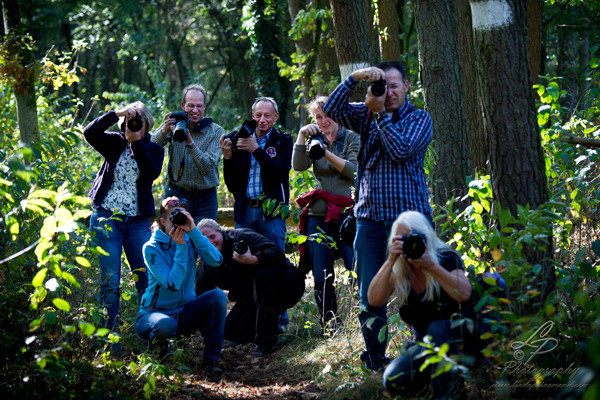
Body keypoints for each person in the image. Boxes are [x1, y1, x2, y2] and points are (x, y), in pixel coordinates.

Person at [323, 61, 433, 370]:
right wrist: (356, 78)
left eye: (395, 86)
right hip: (369, 221)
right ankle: (375, 360)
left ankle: (421, 356)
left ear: (407, 87)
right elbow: (331, 109)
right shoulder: (368, 111)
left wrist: (379, 113)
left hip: (410, 221)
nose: (390, 92)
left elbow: (400, 150)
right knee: (371, 296)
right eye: (384, 86)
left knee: (418, 292)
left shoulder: (419, 118)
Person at [368, 211, 479, 399]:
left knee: (438, 328)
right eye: (403, 240)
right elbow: (374, 300)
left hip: (464, 339)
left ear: (426, 236)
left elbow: (465, 293)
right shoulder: (401, 271)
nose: (410, 244)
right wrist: (390, 260)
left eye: (414, 238)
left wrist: (430, 266)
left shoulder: (445, 258)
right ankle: (433, 382)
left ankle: (449, 395)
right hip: (427, 347)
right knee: (393, 379)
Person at [85, 102, 164, 345]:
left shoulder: (154, 149)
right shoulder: (114, 142)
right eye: (131, 119)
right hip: (107, 218)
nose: (134, 123)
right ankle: (108, 342)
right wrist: (117, 114)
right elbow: (89, 133)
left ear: (147, 123)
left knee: (145, 279)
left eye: (139, 119)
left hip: (137, 222)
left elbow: (150, 173)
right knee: (110, 280)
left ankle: (150, 336)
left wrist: (137, 141)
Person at [135, 198, 227, 372]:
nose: (178, 221)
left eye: (182, 216)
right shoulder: (151, 247)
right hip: (154, 315)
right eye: (173, 217)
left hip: (184, 313)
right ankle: (159, 351)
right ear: (162, 221)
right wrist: (181, 247)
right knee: (166, 325)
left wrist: (193, 231)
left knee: (218, 296)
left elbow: (217, 260)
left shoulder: (191, 239)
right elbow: (173, 284)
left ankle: (211, 361)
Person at [292, 96, 359, 332]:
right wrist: (303, 137)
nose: (323, 121)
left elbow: (353, 172)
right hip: (319, 216)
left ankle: (363, 321)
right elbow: (298, 165)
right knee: (321, 274)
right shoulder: (313, 139)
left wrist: (325, 153)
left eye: (327, 115)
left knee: (356, 269)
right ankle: (331, 325)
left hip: (348, 213)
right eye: (318, 117)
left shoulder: (351, 137)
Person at [195, 219, 305, 356]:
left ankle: (266, 343)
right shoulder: (208, 264)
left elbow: (276, 251)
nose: (211, 242)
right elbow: (202, 295)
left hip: (287, 284)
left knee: (262, 276)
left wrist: (254, 259)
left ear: (220, 232)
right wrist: (206, 330)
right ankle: (270, 331)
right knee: (229, 331)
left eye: (213, 236)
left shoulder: (240, 235)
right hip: (251, 297)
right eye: (205, 240)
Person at [220, 97, 292, 252]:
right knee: (241, 261)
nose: (262, 120)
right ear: (252, 115)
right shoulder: (240, 139)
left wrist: (256, 150)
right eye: (258, 115)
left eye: (267, 115)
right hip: (245, 209)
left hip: (272, 212)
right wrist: (227, 158)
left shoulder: (283, 140)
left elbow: (280, 174)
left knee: (274, 260)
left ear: (275, 116)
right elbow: (232, 184)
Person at [152, 84, 224, 223]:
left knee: (204, 241)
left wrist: (190, 143)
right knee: (172, 240)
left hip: (205, 199)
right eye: (191, 106)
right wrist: (164, 131)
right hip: (175, 195)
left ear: (204, 107)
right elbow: (151, 148)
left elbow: (207, 167)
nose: (195, 110)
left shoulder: (216, 132)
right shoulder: (175, 123)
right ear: (183, 105)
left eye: (199, 106)